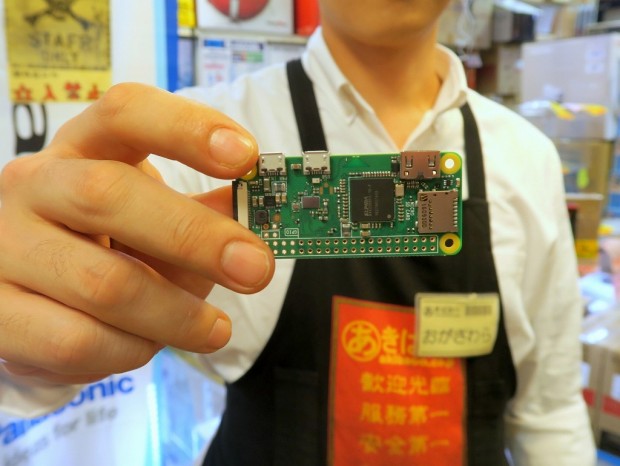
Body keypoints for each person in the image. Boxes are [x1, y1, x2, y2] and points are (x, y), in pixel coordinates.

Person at [0, 0, 596, 464]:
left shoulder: (527, 158)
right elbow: (40, 368)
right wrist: (31, 301)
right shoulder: (194, 151)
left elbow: (550, 413)